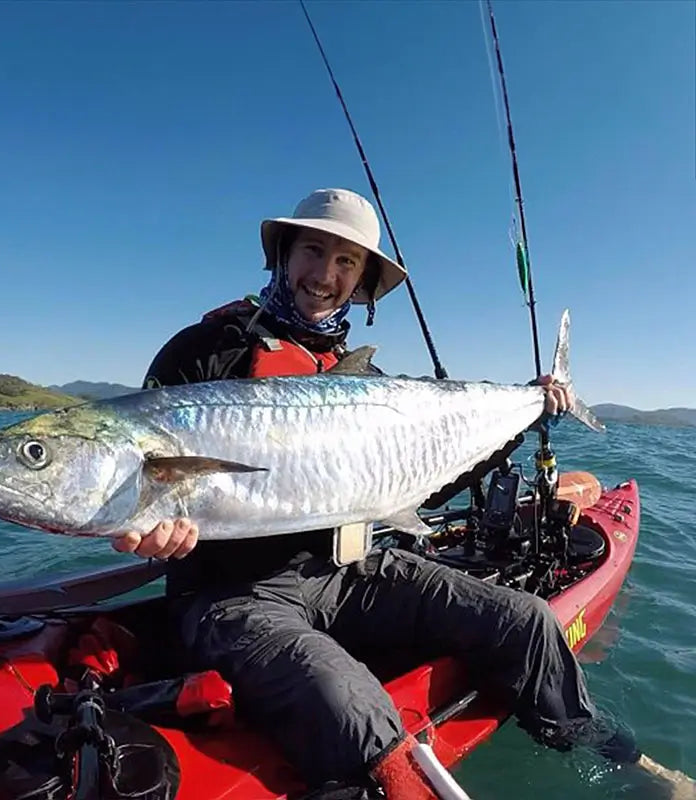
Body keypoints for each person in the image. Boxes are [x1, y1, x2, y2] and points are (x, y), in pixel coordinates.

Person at [110, 188, 638, 798]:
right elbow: (143, 491)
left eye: (346, 263)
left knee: (526, 620)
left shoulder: (370, 386)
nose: (325, 275)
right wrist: (155, 537)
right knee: (354, 712)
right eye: (314, 251)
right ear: (283, 254)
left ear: (362, 283)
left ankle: (607, 753)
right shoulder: (200, 352)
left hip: (352, 568)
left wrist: (529, 410)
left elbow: (429, 485)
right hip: (233, 595)